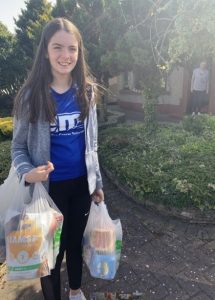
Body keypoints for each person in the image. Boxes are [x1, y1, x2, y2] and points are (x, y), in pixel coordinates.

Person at [11, 18, 104, 300]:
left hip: (80, 187)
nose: (66, 56)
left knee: (75, 243)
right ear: (46, 51)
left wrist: (96, 182)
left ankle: (75, 292)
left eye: (72, 48)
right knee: (50, 250)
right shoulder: (31, 97)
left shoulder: (86, 92)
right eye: (58, 47)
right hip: (48, 191)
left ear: (79, 52)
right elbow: (17, 148)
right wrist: (29, 173)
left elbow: (92, 145)